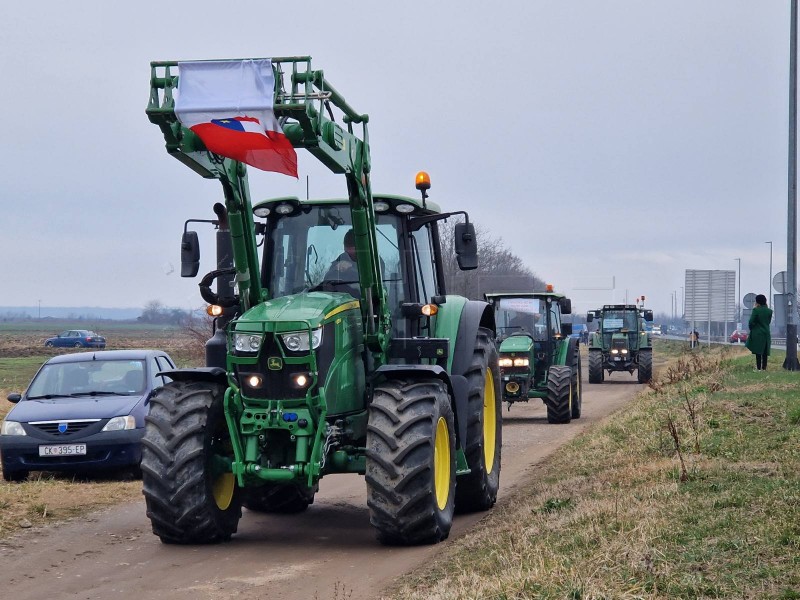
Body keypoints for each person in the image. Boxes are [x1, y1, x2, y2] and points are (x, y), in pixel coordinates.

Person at [745, 294, 773, 371]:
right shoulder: (769, 311)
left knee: (758, 351)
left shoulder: (756, 310)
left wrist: (752, 328)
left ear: (757, 302)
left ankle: (758, 368)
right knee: (764, 351)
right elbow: (768, 322)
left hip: (757, 333)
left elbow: (751, 322)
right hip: (766, 333)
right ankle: (764, 368)